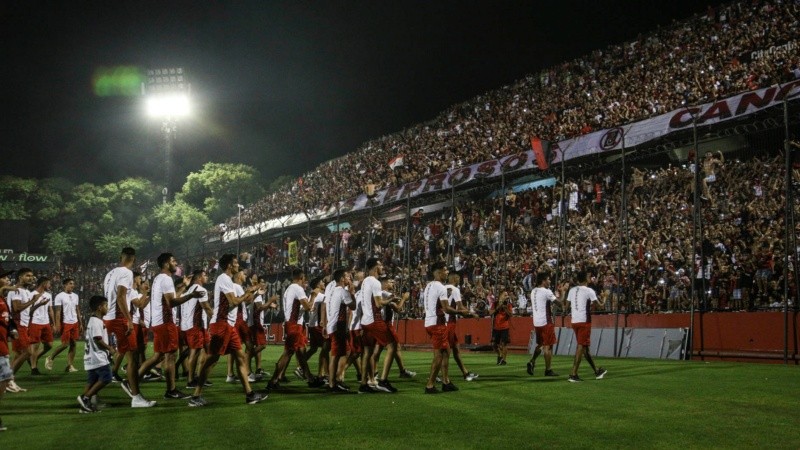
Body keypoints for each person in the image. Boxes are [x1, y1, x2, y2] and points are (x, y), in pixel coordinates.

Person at [189, 254, 267, 406]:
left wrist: (250, 292)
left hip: (228, 325)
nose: (239, 265)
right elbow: (234, 301)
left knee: (240, 357)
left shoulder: (229, 281)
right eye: (236, 263)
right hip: (221, 324)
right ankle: (196, 395)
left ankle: (250, 394)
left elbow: (238, 300)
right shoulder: (223, 278)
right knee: (211, 359)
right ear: (230, 265)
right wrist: (248, 292)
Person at [138, 252, 204, 400]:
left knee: (158, 356)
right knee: (170, 356)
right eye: (173, 261)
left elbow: (171, 298)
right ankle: (171, 390)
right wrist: (191, 295)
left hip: (159, 322)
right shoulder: (166, 279)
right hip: (165, 322)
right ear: (166, 264)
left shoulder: (159, 279)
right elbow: (171, 302)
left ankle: (132, 381)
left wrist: (184, 288)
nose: (176, 263)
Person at [103, 248, 155, 407]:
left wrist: (146, 292)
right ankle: (136, 397)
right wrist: (129, 320)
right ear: (133, 259)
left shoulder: (110, 274)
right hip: (119, 318)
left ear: (121, 257)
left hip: (111, 317)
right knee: (132, 358)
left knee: (128, 353)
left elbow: (138, 303)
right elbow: (120, 296)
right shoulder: (127, 273)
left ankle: (91, 394)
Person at [266, 268, 325, 390]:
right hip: (294, 325)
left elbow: (297, 307)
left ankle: (310, 379)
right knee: (288, 352)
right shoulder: (298, 289)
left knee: (301, 352)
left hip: (291, 323)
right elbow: (308, 306)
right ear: (301, 278)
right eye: (305, 280)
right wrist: (313, 295)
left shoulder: (289, 289)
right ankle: (273, 381)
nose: (306, 283)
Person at [423, 262, 465, 394]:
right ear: (438, 272)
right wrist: (460, 312)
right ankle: (430, 385)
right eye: (445, 270)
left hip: (429, 322)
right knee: (439, 355)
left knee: (446, 351)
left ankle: (446, 382)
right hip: (437, 324)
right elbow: (446, 308)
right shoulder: (440, 287)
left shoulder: (428, 286)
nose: (447, 273)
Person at [359, 258, 399, 394]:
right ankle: (383, 381)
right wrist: (391, 300)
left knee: (367, 352)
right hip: (374, 319)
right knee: (393, 346)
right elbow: (378, 304)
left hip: (365, 321)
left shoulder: (365, 281)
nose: (382, 267)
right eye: (381, 264)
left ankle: (364, 384)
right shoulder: (375, 282)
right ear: (376, 267)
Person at [566, 270, 607, 382]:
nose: (590, 278)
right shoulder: (589, 291)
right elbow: (600, 307)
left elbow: (566, 306)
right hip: (584, 321)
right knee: (581, 346)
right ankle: (573, 374)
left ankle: (597, 371)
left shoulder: (572, 290)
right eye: (589, 276)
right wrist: (605, 297)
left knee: (585, 348)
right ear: (585, 279)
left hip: (574, 321)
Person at [78, 295, 116, 413]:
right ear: (100, 307)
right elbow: (98, 338)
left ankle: (84, 406)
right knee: (106, 378)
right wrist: (110, 349)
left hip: (91, 357)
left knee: (92, 382)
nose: (107, 308)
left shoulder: (94, 320)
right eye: (105, 305)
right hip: (97, 356)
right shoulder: (96, 321)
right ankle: (85, 398)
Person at [7, 268, 41, 392]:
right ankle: (7, 379)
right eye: (27, 275)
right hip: (18, 324)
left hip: (24, 325)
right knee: (27, 353)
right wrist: (33, 301)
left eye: (32, 276)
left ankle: (8, 381)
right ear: (20, 277)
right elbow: (16, 308)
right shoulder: (17, 290)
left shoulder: (25, 291)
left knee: (18, 354)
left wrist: (38, 304)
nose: (31, 278)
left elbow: (27, 310)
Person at [527, 272, 564, 377]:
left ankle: (532, 361)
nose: (550, 281)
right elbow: (560, 303)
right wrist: (563, 293)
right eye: (548, 279)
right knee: (548, 346)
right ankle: (548, 370)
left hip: (537, 322)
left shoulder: (533, 291)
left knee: (541, 344)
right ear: (543, 281)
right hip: (546, 321)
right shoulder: (546, 291)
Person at [444, 273, 479, 382]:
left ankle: (465, 373)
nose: (459, 280)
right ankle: (442, 377)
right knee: (445, 352)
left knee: (456, 349)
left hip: (443, 321)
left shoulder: (443, 288)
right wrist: (471, 313)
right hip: (449, 322)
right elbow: (460, 307)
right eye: (458, 278)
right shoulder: (455, 289)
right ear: (455, 278)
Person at [325, 268, 355, 391]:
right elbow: (353, 306)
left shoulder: (333, 291)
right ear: (342, 278)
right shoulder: (342, 292)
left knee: (341, 353)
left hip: (333, 326)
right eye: (347, 276)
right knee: (336, 355)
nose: (350, 278)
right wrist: (352, 292)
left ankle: (335, 380)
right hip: (338, 326)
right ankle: (333, 383)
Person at [181, 270, 211, 389]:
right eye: (205, 275)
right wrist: (215, 319)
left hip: (191, 324)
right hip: (196, 325)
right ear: (199, 277)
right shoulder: (200, 289)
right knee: (195, 351)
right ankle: (190, 380)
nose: (207, 277)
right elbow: (206, 307)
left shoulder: (189, 290)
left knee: (209, 351)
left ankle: (200, 376)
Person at [46, 278, 81, 372]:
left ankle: (70, 366)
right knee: (65, 344)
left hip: (75, 322)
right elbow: (58, 311)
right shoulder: (59, 296)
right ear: (64, 285)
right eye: (70, 283)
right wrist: (57, 324)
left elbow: (77, 309)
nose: (72, 285)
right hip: (65, 322)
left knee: (73, 344)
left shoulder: (75, 296)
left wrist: (80, 323)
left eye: (73, 283)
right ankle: (50, 358)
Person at [1, 269, 20, 428]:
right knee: (5, 380)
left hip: (2, 345)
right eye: (5, 277)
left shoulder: (2, 299)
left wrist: (11, 329)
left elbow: (7, 319)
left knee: (6, 380)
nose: (8, 280)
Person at [27, 276, 55, 375]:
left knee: (49, 345)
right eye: (48, 283)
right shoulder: (32, 295)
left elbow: (50, 309)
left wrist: (54, 323)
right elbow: (28, 311)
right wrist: (39, 304)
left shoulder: (48, 295)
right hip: (35, 322)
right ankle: (34, 368)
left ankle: (33, 358)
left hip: (46, 322)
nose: (49, 285)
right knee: (35, 346)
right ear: (43, 284)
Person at [489, 290, 513, 365]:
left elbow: (511, 315)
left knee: (504, 344)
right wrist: (498, 307)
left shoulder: (508, 304)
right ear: (500, 296)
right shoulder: (495, 303)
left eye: (507, 295)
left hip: (505, 327)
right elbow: (490, 313)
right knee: (493, 344)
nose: (506, 297)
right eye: (505, 295)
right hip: (496, 327)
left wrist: (505, 308)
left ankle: (504, 360)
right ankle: (499, 355)